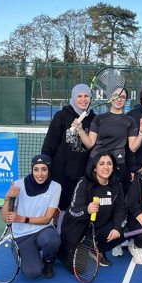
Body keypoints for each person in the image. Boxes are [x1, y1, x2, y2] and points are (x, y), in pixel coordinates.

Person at [58, 152, 126, 269]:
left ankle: (98, 248)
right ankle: (64, 250)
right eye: (102, 164)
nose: (106, 167)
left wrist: (117, 228)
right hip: (77, 231)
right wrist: (87, 210)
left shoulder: (116, 185)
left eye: (109, 164)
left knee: (124, 229)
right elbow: (74, 211)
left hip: (97, 229)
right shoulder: (84, 183)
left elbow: (120, 209)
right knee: (79, 268)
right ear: (95, 168)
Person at [75, 87, 142, 193]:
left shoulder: (130, 121)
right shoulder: (98, 119)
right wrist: (80, 130)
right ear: (111, 98)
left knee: (114, 199)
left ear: (126, 100)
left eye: (123, 97)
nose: (119, 99)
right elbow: (90, 144)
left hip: (118, 165)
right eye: (116, 96)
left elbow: (133, 148)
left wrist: (141, 134)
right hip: (97, 163)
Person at [2, 154, 61, 279]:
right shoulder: (18, 185)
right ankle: (20, 250)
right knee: (32, 273)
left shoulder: (55, 187)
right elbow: (4, 218)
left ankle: (49, 261)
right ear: (32, 169)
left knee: (53, 239)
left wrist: (21, 218)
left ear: (49, 170)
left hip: (43, 230)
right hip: (22, 235)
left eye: (44, 169)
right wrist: (7, 198)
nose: (40, 174)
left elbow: (46, 219)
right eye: (36, 169)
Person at [42, 84, 95, 215]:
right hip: (60, 175)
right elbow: (49, 144)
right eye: (79, 96)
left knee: (78, 209)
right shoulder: (61, 116)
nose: (83, 99)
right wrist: (45, 167)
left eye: (86, 96)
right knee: (58, 211)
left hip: (83, 174)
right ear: (73, 97)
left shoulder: (94, 119)